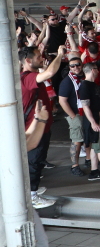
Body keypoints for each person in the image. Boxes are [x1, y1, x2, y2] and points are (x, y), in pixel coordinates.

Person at [24, 95, 65, 247]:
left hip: (18, 200)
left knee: (40, 243)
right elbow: (28, 145)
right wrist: (40, 121)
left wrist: (38, 120)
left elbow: (24, 140)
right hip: (10, 204)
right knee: (37, 243)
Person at [20, 47, 61, 208]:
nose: (41, 58)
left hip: (41, 127)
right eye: (38, 56)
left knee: (38, 160)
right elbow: (50, 73)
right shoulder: (29, 78)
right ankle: (32, 195)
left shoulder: (31, 77)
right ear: (28, 61)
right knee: (34, 161)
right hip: (34, 130)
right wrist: (60, 55)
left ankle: (32, 188)